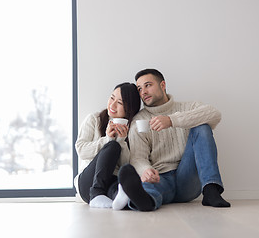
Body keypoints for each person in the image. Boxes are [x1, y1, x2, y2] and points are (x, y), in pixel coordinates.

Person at [116, 68, 230, 211]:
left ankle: (211, 189)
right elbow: (138, 158)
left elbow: (214, 114)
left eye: (148, 85)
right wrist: (146, 170)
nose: (143, 92)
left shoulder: (188, 107)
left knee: (202, 127)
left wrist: (172, 120)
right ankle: (145, 201)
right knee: (148, 187)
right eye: (139, 88)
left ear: (162, 85)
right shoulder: (140, 121)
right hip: (161, 178)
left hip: (188, 178)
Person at [74, 82, 140, 209]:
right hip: (88, 184)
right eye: (112, 98)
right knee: (112, 147)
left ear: (129, 108)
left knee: (121, 192)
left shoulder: (133, 129)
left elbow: (126, 166)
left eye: (120, 103)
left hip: (111, 181)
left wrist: (121, 140)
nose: (113, 105)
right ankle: (96, 194)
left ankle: (122, 200)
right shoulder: (94, 119)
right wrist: (107, 140)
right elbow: (81, 150)